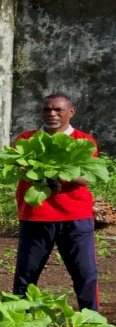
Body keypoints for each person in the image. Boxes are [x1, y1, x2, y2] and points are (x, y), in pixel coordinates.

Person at [12, 93, 99, 310]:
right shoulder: (25, 139)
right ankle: (17, 321)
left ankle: (92, 320)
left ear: (71, 112)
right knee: (26, 275)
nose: (51, 114)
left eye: (57, 109)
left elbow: (85, 178)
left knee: (85, 274)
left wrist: (49, 172)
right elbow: (20, 170)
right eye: (46, 109)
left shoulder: (84, 141)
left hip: (75, 218)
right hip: (35, 215)